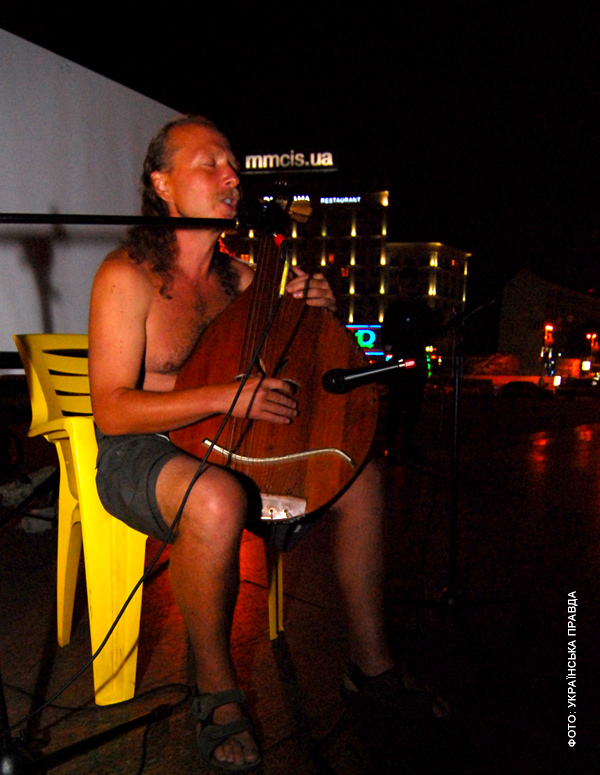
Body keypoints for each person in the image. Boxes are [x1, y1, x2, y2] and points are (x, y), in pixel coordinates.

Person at [89, 115, 448, 771]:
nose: (231, 175)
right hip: (141, 448)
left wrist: (318, 314)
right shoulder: (127, 275)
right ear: (162, 184)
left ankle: (371, 665)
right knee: (217, 499)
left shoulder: (249, 281)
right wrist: (222, 396)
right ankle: (215, 690)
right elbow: (111, 410)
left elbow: (301, 373)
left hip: (233, 440)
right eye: (209, 163)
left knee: (360, 476)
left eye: (232, 163)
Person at [381, 266, 443, 464]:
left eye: (410, 286)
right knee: (396, 410)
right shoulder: (395, 310)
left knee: (412, 410)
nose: (407, 290)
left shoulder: (421, 310)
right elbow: (386, 337)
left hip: (414, 364)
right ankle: (391, 448)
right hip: (401, 365)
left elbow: (432, 333)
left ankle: (406, 448)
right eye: (403, 286)